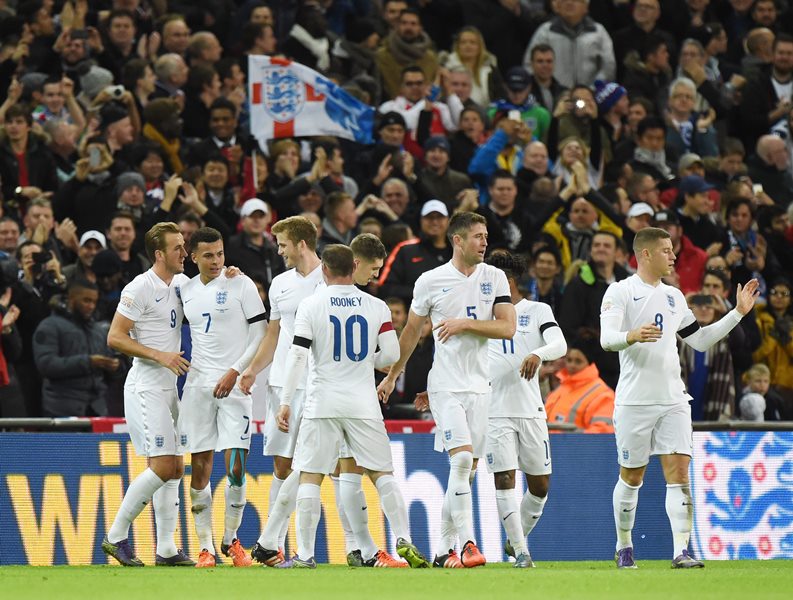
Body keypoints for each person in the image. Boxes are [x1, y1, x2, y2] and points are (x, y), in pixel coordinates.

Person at [600, 226, 759, 569]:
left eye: (673, 250)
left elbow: (699, 340)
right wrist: (631, 335)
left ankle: (680, 551)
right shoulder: (621, 291)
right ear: (645, 254)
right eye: (666, 250)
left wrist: (737, 314)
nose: (673, 256)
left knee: (679, 474)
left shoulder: (674, 296)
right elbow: (606, 339)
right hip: (634, 401)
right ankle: (624, 545)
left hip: (673, 399)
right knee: (632, 477)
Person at [273, 244, 428, 569]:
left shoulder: (311, 304)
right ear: (353, 267)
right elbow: (390, 355)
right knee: (382, 473)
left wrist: (286, 401)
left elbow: (298, 355)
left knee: (311, 476)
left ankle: (305, 554)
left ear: (325, 269)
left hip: (322, 402)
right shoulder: (377, 306)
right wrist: (364, 360)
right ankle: (403, 538)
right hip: (363, 403)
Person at [377, 212, 516, 568]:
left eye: (485, 236)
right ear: (458, 240)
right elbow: (411, 331)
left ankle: (443, 548)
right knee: (462, 460)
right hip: (445, 385)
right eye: (478, 236)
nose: (484, 242)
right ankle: (469, 544)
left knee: (466, 472)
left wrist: (465, 324)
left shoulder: (494, 277)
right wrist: (393, 375)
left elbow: (507, 328)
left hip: (480, 386)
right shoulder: (430, 280)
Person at [102, 222, 194, 567]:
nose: (184, 253)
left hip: (169, 386)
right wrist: (160, 355)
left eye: (184, 246)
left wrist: (230, 276)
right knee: (163, 465)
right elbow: (115, 336)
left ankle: (166, 548)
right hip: (146, 385)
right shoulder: (140, 287)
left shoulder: (182, 284)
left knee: (176, 467)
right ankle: (116, 536)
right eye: (177, 248)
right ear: (159, 254)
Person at [237, 216, 323, 566]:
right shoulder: (279, 284)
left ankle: (346, 546)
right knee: (283, 466)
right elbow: (273, 334)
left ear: (301, 244)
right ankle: (275, 547)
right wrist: (252, 369)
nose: (279, 251)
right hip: (282, 384)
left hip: (319, 383)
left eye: (283, 244)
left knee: (320, 466)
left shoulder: (330, 279)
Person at [179, 227, 267, 568]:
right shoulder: (183, 289)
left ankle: (231, 539)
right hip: (198, 387)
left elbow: (260, 332)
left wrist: (236, 370)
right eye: (208, 255)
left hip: (235, 386)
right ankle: (205, 547)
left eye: (220, 254)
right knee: (200, 465)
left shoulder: (241, 284)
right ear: (193, 257)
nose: (216, 261)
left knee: (236, 466)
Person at [484, 251, 566, 568]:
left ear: (508, 282)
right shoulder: (481, 317)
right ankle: (521, 551)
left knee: (540, 487)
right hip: (494, 410)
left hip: (531, 409)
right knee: (504, 478)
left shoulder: (536, 310)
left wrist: (537, 354)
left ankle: (515, 537)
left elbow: (560, 344)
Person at [32, 279, 119, 417]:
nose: (91, 306)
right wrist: (89, 362)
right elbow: (46, 365)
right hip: (61, 409)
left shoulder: (98, 331)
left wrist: (115, 366)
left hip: (97, 409)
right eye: (86, 301)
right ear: (71, 299)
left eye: (94, 302)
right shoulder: (49, 326)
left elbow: (109, 368)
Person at [544, 336, 615, 433]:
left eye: (578, 361)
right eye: (569, 360)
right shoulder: (560, 389)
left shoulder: (604, 395)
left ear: (590, 363)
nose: (572, 365)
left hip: (576, 443)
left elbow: (602, 432)